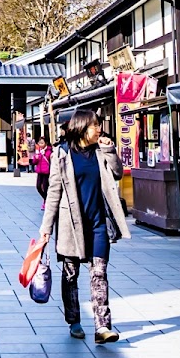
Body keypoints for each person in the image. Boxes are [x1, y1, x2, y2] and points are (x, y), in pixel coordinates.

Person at [38, 110, 130, 343]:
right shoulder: (62, 153)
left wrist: (110, 150)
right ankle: (74, 321)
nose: (98, 129)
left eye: (99, 125)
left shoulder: (101, 150)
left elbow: (118, 173)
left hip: (98, 223)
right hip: (71, 225)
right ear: (81, 127)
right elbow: (54, 192)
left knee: (99, 273)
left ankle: (102, 326)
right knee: (71, 275)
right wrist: (46, 227)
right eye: (94, 125)